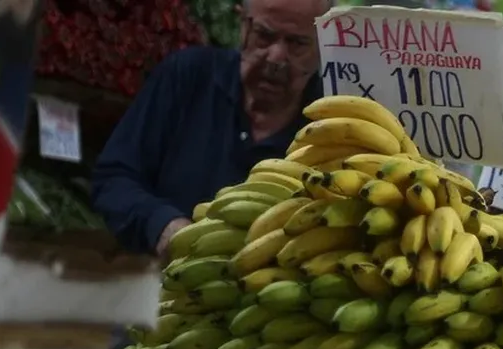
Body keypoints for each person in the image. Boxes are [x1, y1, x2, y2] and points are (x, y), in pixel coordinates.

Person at [92, 0, 330, 255]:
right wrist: (163, 225)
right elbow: (114, 178)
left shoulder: (332, 125)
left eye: (297, 44)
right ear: (242, 25)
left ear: (321, 45)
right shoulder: (186, 77)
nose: (276, 57)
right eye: (264, 35)